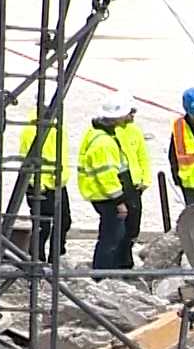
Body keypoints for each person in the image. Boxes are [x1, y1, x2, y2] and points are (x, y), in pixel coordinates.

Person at [75, 94, 151, 273]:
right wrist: (119, 201)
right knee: (111, 237)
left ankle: (112, 269)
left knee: (117, 234)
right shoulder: (104, 142)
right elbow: (107, 176)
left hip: (105, 193)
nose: (129, 117)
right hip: (107, 196)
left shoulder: (99, 134)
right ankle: (103, 274)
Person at [17, 107, 71, 263]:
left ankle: (55, 256)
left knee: (63, 221)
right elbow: (27, 158)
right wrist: (35, 183)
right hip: (40, 186)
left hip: (57, 184)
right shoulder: (31, 131)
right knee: (43, 225)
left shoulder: (57, 128)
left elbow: (62, 156)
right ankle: (37, 257)